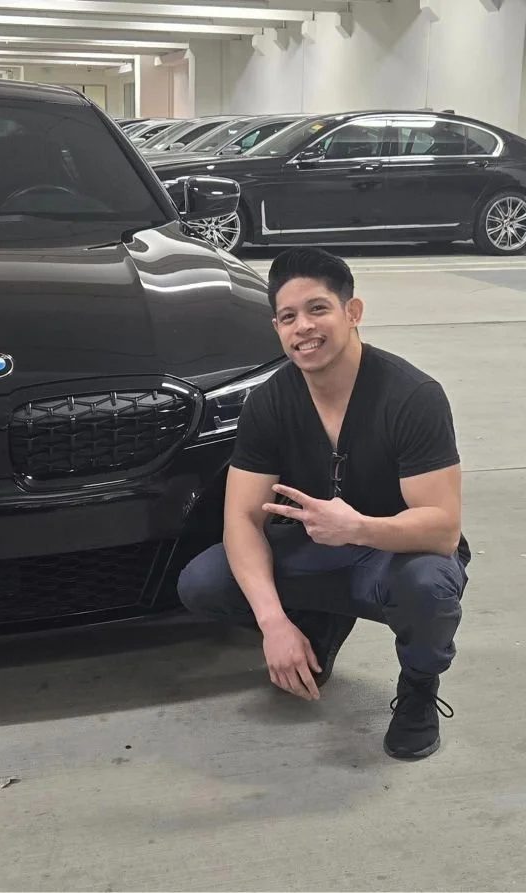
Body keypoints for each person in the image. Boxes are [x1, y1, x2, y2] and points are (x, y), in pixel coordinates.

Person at [177, 246, 469, 761]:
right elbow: (241, 518)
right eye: (288, 317)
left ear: (352, 313)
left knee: (430, 588)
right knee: (204, 582)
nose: (303, 328)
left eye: (318, 309)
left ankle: (419, 690)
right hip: (314, 549)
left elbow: (442, 529)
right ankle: (315, 625)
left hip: (393, 554)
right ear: (276, 328)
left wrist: (357, 527)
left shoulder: (412, 396)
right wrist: (273, 623)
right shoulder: (271, 400)